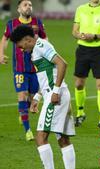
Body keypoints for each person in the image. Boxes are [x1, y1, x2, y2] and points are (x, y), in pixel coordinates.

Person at [10, 25, 76, 169]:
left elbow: (62, 64)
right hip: (55, 94)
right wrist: (38, 97)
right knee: (63, 139)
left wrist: (56, 91)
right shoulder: (36, 50)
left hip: (55, 96)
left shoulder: (40, 45)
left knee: (41, 137)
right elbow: (46, 75)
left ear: (27, 40)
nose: (21, 49)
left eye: (21, 46)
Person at [0, 0, 47, 141]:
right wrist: (1, 54)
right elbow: (4, 39)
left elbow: (45, 38)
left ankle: (23, 110)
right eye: (25, 5)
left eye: (30, 5)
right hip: (19, 68)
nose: (29, 7)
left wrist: (46, 52)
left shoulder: (37, 23)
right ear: (19, 8)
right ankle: (28, 131)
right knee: (22, 94)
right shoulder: (12, 24)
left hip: (35, 66)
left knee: (32, 98)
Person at [72, 0, 100, 128]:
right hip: (82, 49)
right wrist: (80, 35)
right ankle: (80, 113)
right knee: (79, 83)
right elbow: (74, 31)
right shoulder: (81, 9)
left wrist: (95, 36)